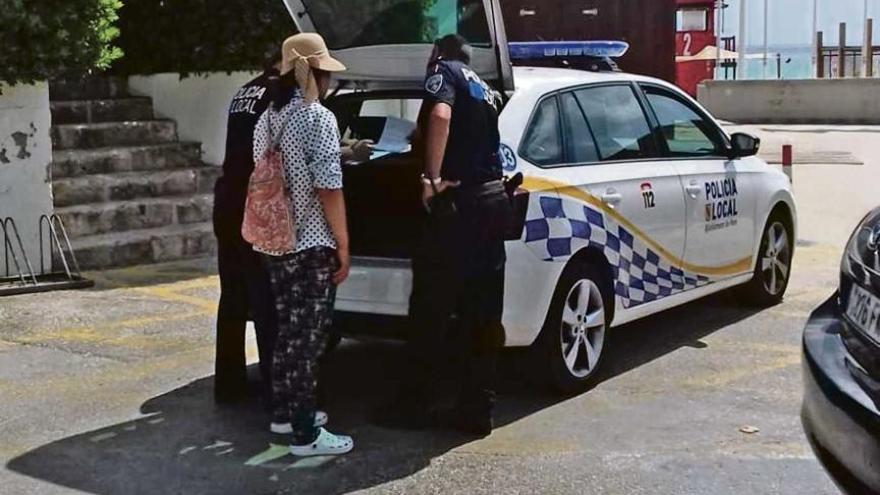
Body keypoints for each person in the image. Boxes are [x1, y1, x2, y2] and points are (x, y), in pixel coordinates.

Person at [377, 34, 507, 437]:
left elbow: (440, 118)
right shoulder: (486, 89)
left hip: (458, 207)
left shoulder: (443, 72)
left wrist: (430, 178)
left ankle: (414, 405)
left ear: (437, 53)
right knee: (481, 313)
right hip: (492, 201)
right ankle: (477, 410)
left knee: (430, 309)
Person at [253, 33, 353, 456]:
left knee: (287, 334)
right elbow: (329, 187)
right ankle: (305, 434)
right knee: (308, 340)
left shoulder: (268, 117)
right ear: (311, 72)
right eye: (325, 71)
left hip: (275, 242)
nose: (329, 80)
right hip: (311, 243)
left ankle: (285, 413)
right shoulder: (318, 118)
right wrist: (343, 244)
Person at [212, 48, 281, 405]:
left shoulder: (244, 91)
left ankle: (228, 382)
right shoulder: (275, 95)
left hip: (227, 200)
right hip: (252, 205)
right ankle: (274, 384)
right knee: (265, 297)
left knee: (233, 297)